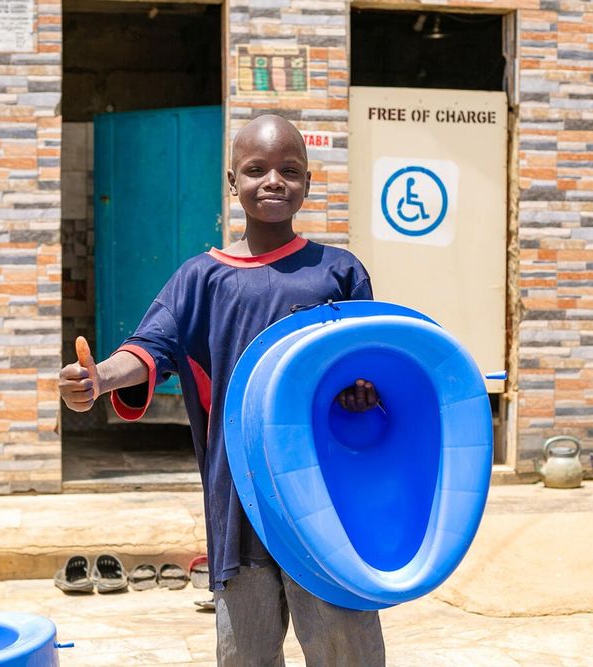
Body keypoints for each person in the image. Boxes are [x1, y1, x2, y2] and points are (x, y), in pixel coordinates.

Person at [59, 114, 386, 666]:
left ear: (308, 181)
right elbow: (149, 349)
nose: (273, 181)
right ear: (232, 183)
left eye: (289, 169)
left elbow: (370, 367)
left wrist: (364, 394)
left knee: (344, 648)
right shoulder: (200, 279)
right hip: (241, 501)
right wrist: (98, 379)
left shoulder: (339, 272)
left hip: (327, 498)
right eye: (256, 170)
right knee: (244, 653)